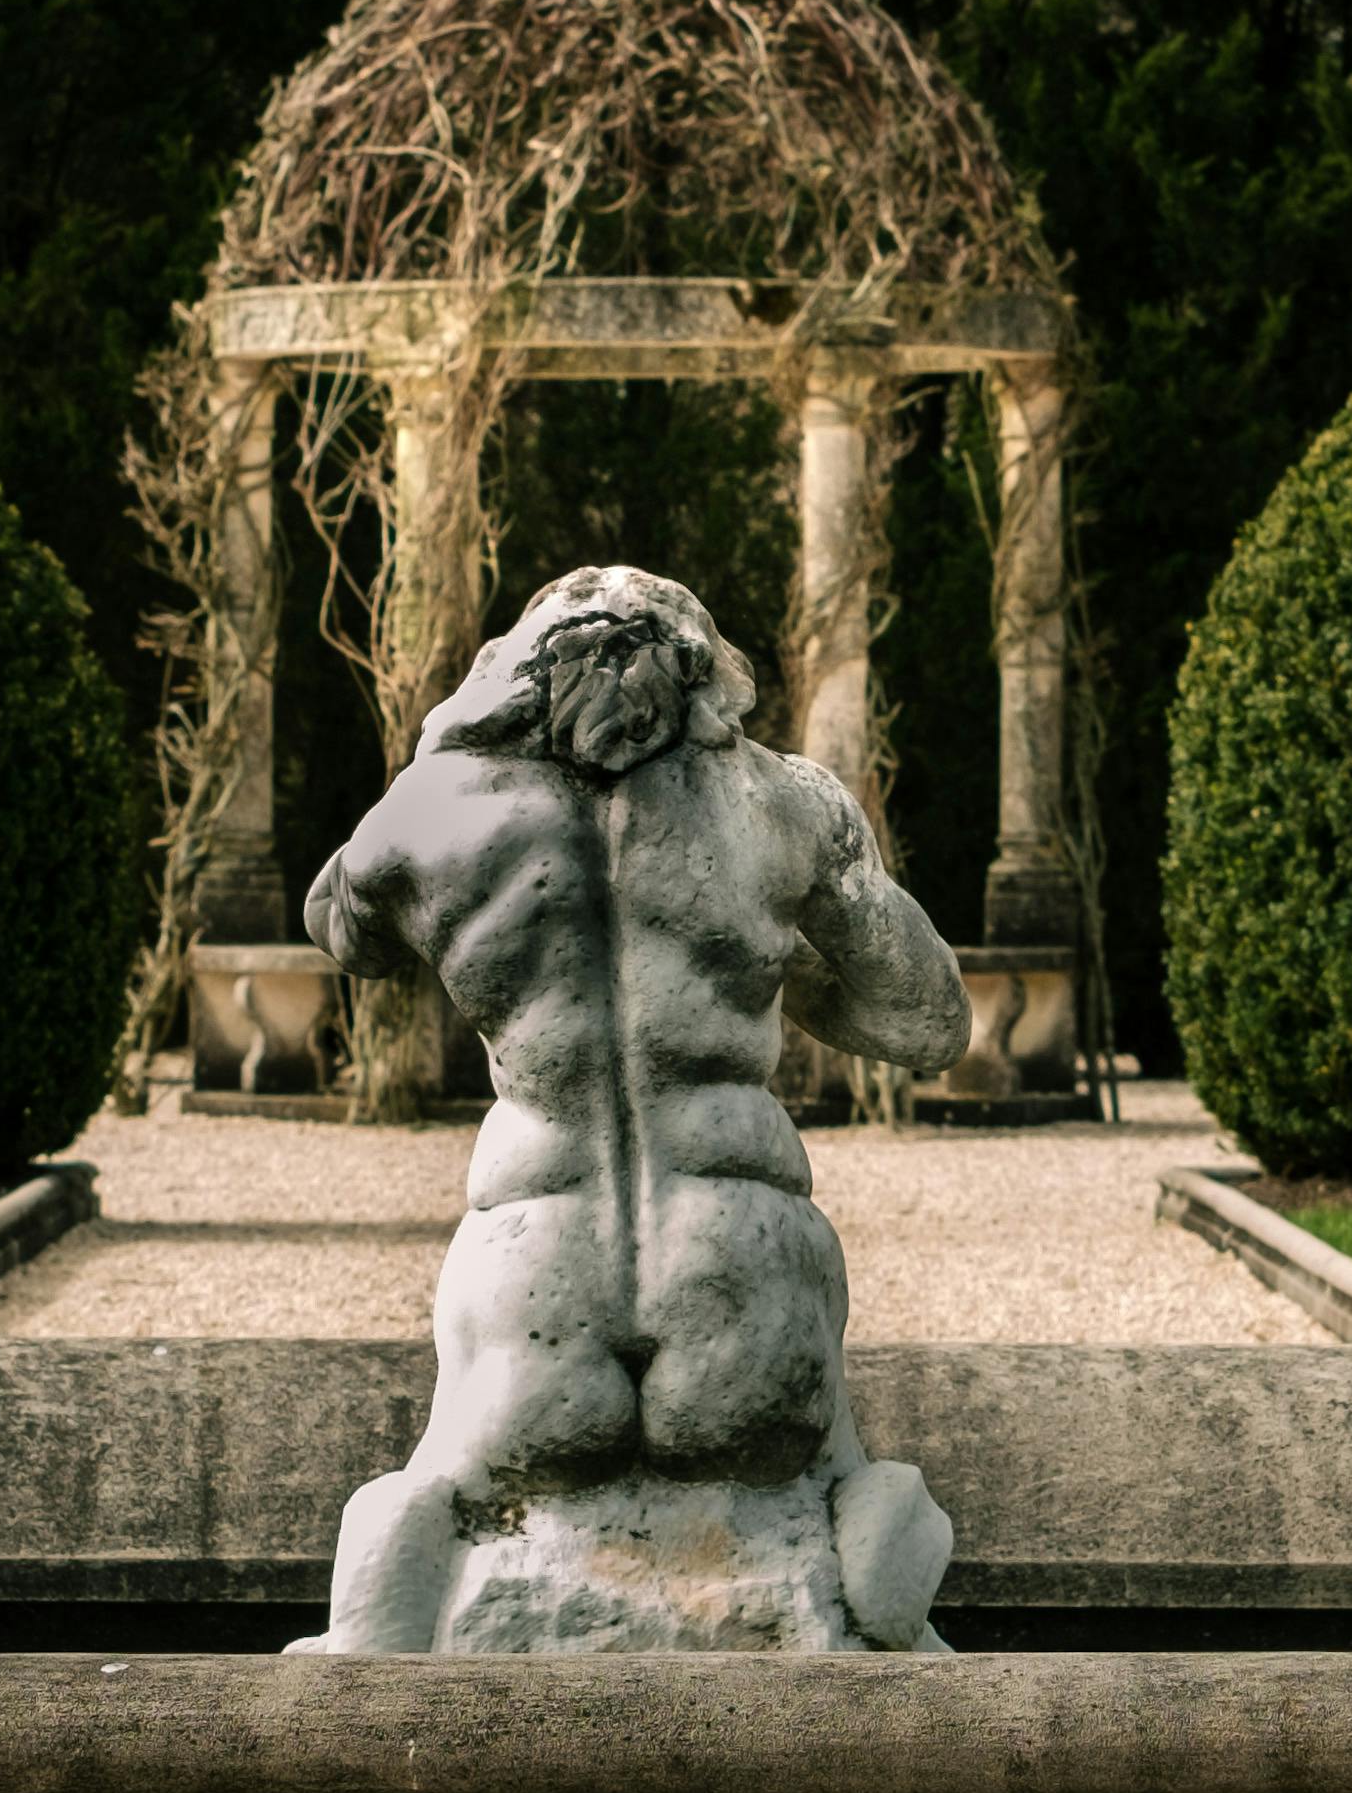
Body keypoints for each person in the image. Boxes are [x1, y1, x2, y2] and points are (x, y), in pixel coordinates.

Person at [291, 563, 969, 1653]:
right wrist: (769, 963)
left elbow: (342, 926)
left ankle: (412, 1545)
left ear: (516, 674)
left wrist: (444, 748)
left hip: (532, 1297)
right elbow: (926, 1021)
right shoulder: (788, 805)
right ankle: (852, 1510)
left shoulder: (435, 810)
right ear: (708, 677)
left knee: (435, 1482)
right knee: (828, 1459)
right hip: (746, 1291)